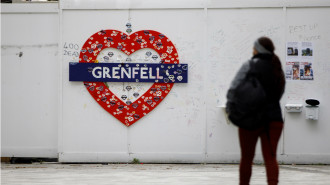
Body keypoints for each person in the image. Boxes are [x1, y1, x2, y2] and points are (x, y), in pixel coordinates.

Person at [230, 37, 285, 185]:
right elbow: (279, 93)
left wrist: (233, 110)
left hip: (250, 119)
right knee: (271, 158)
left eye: (253, 47)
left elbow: (233, 90)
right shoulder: (277, 67)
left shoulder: (249, 65)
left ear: (257, 49)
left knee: (247, 158)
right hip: (274, 119)